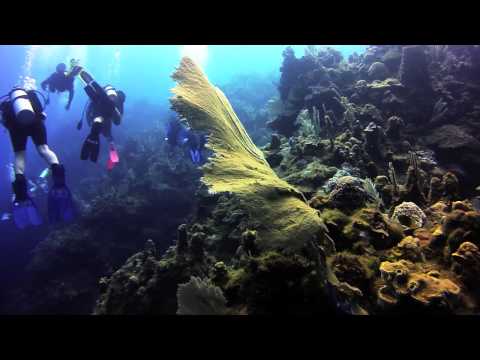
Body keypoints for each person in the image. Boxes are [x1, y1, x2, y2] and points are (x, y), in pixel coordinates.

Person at [0, 87, 75, 229]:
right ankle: (59, 178)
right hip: (35, 123)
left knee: (19, 155)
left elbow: (4, 122)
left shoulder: (6, 104)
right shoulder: (31, 95)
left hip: (16, 127)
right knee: (44, 149)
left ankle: (20, 191)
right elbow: (42, 113)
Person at [76, 69, 125, 170]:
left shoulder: (100, 96)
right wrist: (118, 116)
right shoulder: (117, 97)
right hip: (109, 113)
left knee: (99, 119)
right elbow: (118, 119)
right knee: (107, 133)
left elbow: (89, 108)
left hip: (101, 112)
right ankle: (110, 144)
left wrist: (90, 121)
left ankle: (96, 134)